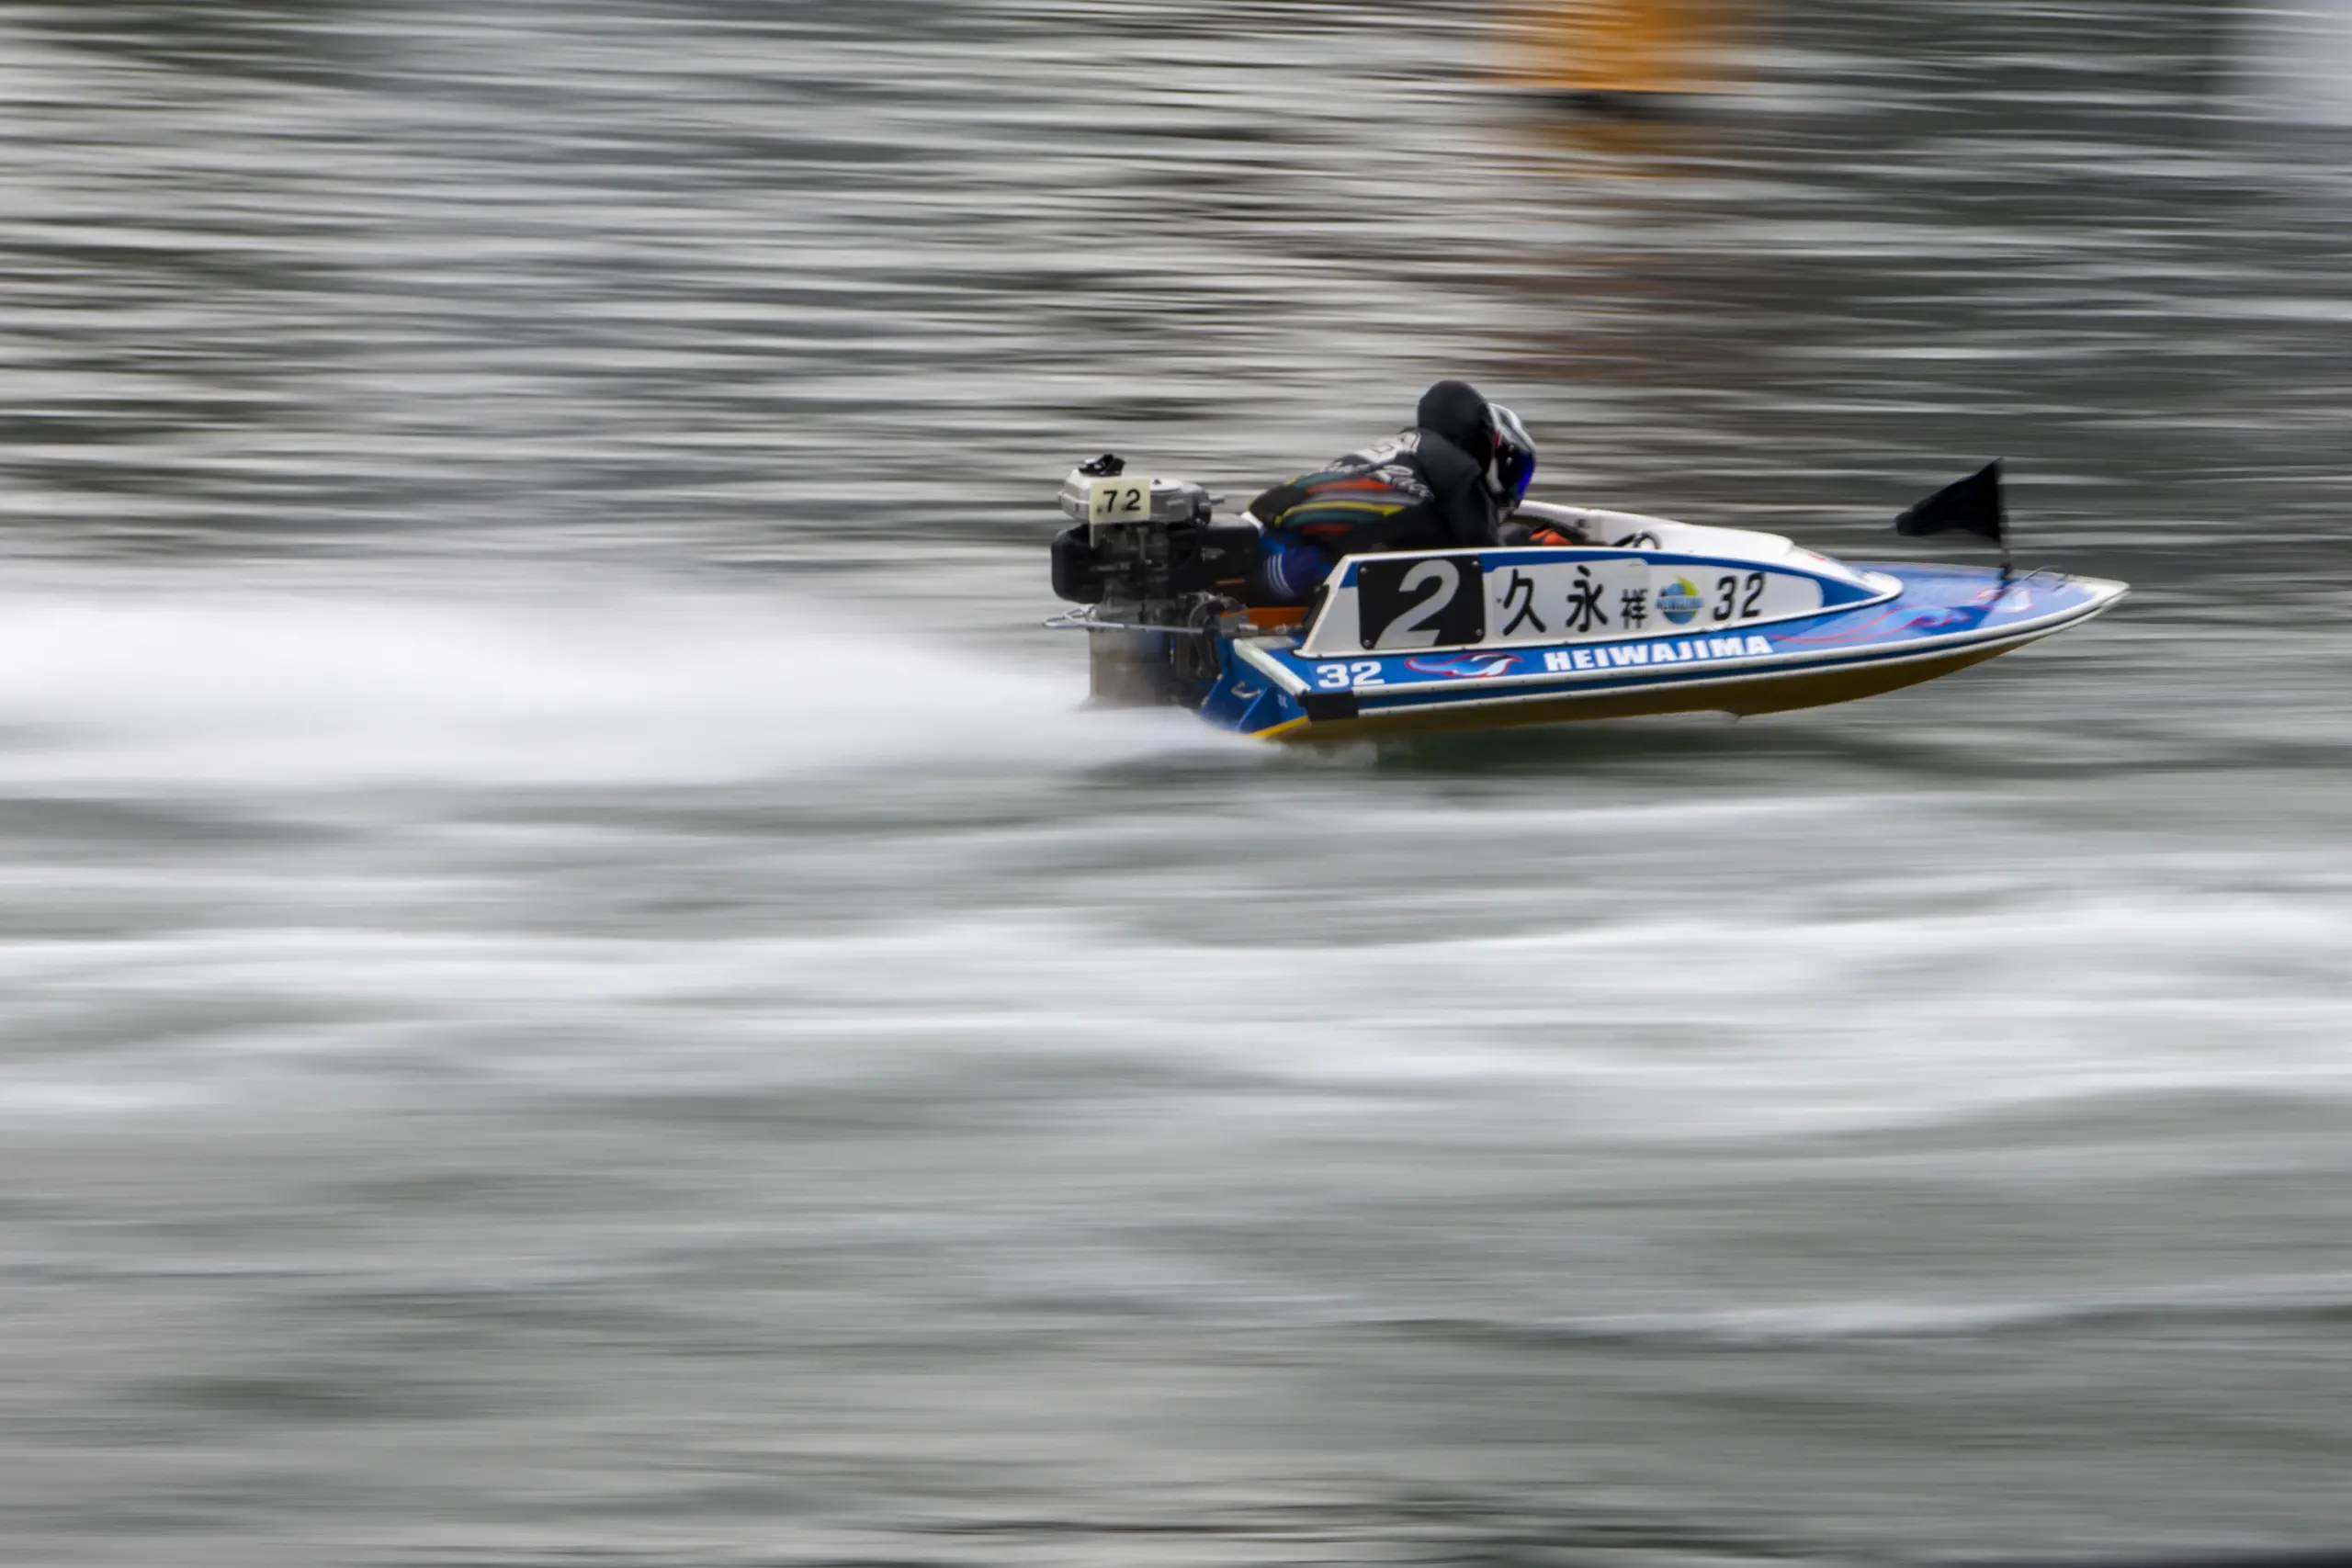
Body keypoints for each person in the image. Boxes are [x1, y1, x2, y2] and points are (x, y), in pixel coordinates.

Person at [1246, 380, 1541, 603]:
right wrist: (1526, 544)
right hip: (1298, 571)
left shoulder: (1401, 449)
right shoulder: (1457, 470)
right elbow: (1489, 563)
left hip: (1263, 546)